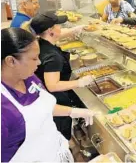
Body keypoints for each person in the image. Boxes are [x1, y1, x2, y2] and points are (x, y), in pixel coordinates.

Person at [1, 28, 96, 162]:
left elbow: (41, 107)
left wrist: (72, 111)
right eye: (34, 58)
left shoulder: (28, 78)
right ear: (11, 61)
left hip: (54, 151)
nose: (39, 62)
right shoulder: (3, 110)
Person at [24, 12, 95, 141]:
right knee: (61, 136)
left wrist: (76, 28)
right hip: (56, 101)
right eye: (58, 25)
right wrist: (80, 82)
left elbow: (59, 34)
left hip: (47, 98)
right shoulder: (53, 56)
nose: (61, 27)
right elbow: (53, 85)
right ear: (50, 30)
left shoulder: (41, 41)